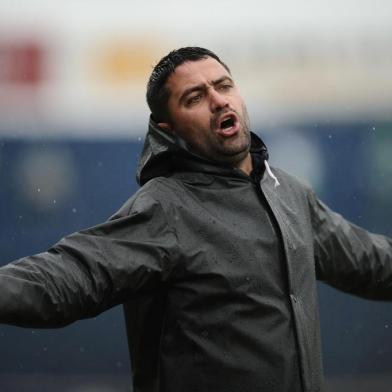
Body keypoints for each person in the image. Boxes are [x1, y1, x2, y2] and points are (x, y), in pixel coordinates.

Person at [0, 46, 392, 392]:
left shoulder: (289, 193)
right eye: (195, 97)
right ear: (168, 128)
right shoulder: (166, 207)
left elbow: (371, 263)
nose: (219, 101)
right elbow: (72, 274)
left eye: (224, 85)